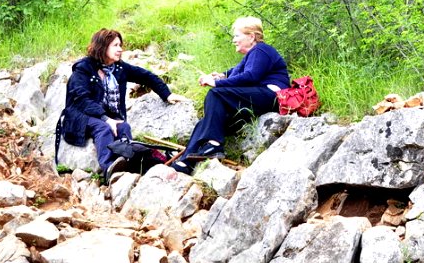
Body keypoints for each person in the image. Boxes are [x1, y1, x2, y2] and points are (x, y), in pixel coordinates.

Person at [60, 29, 188, 177]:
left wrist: (167, 94)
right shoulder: (84, 69)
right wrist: (106, 119)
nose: (120, 49)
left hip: (104, 115)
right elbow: (81, 99)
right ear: (102, 46)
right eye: (115, 45)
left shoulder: (119, 68)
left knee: (124, 126)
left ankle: (128, 162)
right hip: (80, 115)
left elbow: (146, 76)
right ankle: (109, 168)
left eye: (120, 45)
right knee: (104, 128)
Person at [173, 16, 290, 174]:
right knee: (206, 121)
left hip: (270, 96)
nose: (234, 40)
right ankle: (185, 162)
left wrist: (217, 83)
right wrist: (221, 76)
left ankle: (213, 145)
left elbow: (250, 77)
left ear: (251, 36)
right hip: (257, 99)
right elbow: (236, 71)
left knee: (215, 93)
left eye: (237, 36)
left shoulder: (261, 50)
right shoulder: (252, 55)